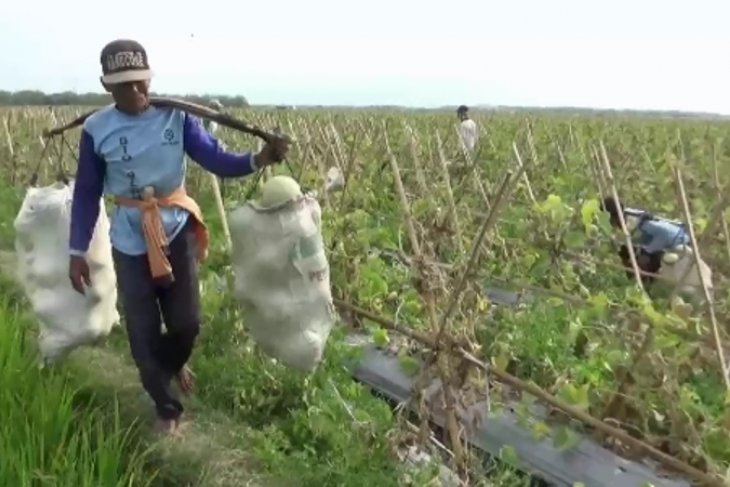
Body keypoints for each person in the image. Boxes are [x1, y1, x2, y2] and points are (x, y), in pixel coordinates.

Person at [68, 39, 289, 434]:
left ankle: (166, 364)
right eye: (124, 85)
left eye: (141, 82)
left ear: (149, 78)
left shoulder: (178, 118)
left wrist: (260, 158)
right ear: (107, 87)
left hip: (176, 228)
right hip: (130, 238)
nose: (136, 91)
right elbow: (86, 191)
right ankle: (166, 406)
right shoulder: (96, 130)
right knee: (141, 332)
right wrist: (76, 250)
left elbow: (216, 159)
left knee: (186, 323)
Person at [601, 196, 690, 283]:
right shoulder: (627, 219)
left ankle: (648, 282)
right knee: (627, 252)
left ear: (612, 217)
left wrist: (647, 251)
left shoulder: (636, 221)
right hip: (663, 239)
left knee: (640, 260)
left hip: (673, 239)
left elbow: (663, 233)